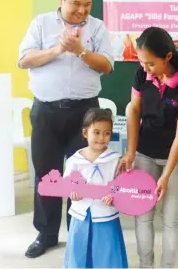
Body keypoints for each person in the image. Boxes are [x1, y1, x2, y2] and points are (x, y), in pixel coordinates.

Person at [18, 0, 114, 258]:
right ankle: (46, 234)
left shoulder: (97, 28)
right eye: (76, 4)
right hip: (46, 110)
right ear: (61, 0)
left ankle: (78, 231)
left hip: (85, 114)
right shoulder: (41, 23)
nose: (82, 10)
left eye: (87, 5)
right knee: (47, 174)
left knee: (81, 175)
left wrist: (80, 51)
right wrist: (59, 49)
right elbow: (24, 59)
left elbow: (107, 65)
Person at [117, 27, 178, 268]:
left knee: (171, 219)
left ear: (168, 57)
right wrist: (131, 151)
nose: (145, 68)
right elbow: (133, 109)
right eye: (141, 62)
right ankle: (146, 265)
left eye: (151, 63)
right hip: (145, 152)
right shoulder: (142, 74)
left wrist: (165, 175)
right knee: (143, 215)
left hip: (177, 158)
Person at [63, 108, 128, 268]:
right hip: (80, 216)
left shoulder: (115, 160)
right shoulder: (74, 160)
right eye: (96, 132)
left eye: (106, 133)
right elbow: (66, 184)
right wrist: (73, 193)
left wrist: (114, 196)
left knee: (107, 255)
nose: (101, 138)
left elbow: (121, 186)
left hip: (106, 216)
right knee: (78, 255)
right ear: (85, 133)